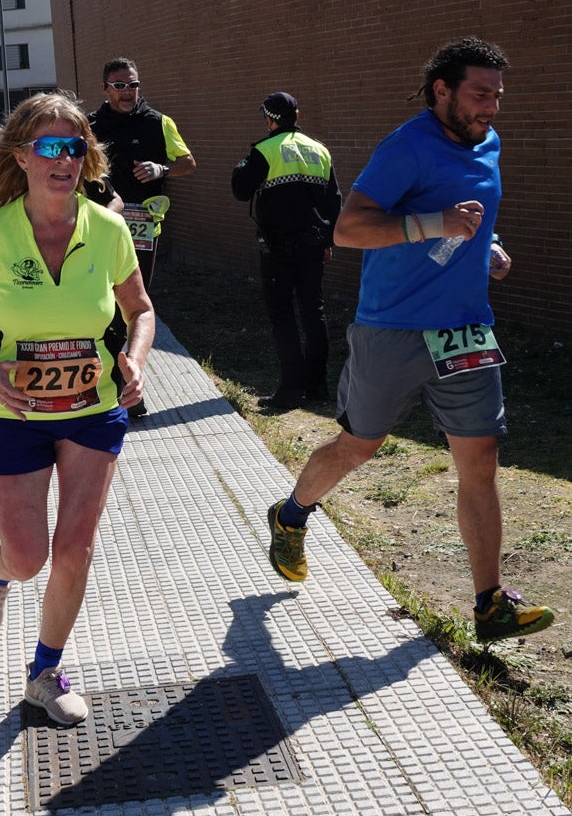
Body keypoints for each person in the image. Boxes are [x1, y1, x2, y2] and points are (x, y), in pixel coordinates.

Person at [266, 36, 554, 644]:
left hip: (466, 330)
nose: (491, 108)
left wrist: (486, 247)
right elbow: (347, 230)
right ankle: (291, 515)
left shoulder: (488, 144)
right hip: (392, 330)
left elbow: (476, 214)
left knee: (479, 462)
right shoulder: (406, 147)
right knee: (358, 447)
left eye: (497, 97)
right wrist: (436, 225)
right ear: (441, 91)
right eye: (480, 95)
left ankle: (490, 604)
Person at [0, 91, 155, 725]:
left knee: (75, 547)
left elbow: (140, 309)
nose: (65, 159)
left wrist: (136, 358)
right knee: (28, 556)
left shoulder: (108, 229)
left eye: (75, 147)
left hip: (94, 407)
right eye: (51, 146)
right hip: (18, 414)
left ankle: (45, 672)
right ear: (22, 156)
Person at [88, 56, 196, 415]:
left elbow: (188, 162)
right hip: (99, 227)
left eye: (133, 85)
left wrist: (162, 167)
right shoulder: (89, 126)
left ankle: (128, 390)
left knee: (133, 309)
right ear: (105, 89)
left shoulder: (159, 122)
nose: (128, 92)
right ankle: (108, 386)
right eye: (120, 86)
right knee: (103, 310)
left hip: (141, 230)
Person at [231, 92, 342, 409]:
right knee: (313, 312)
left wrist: (245, 163)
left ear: (269, 119)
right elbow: (334, 201)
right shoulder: (319, 150)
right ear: (297, 114)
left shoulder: (265, 151)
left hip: (278, 246)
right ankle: (318, 387)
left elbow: (240, 189)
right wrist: (329, 241)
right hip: (314, 243)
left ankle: (291, 390)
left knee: (283, 315)